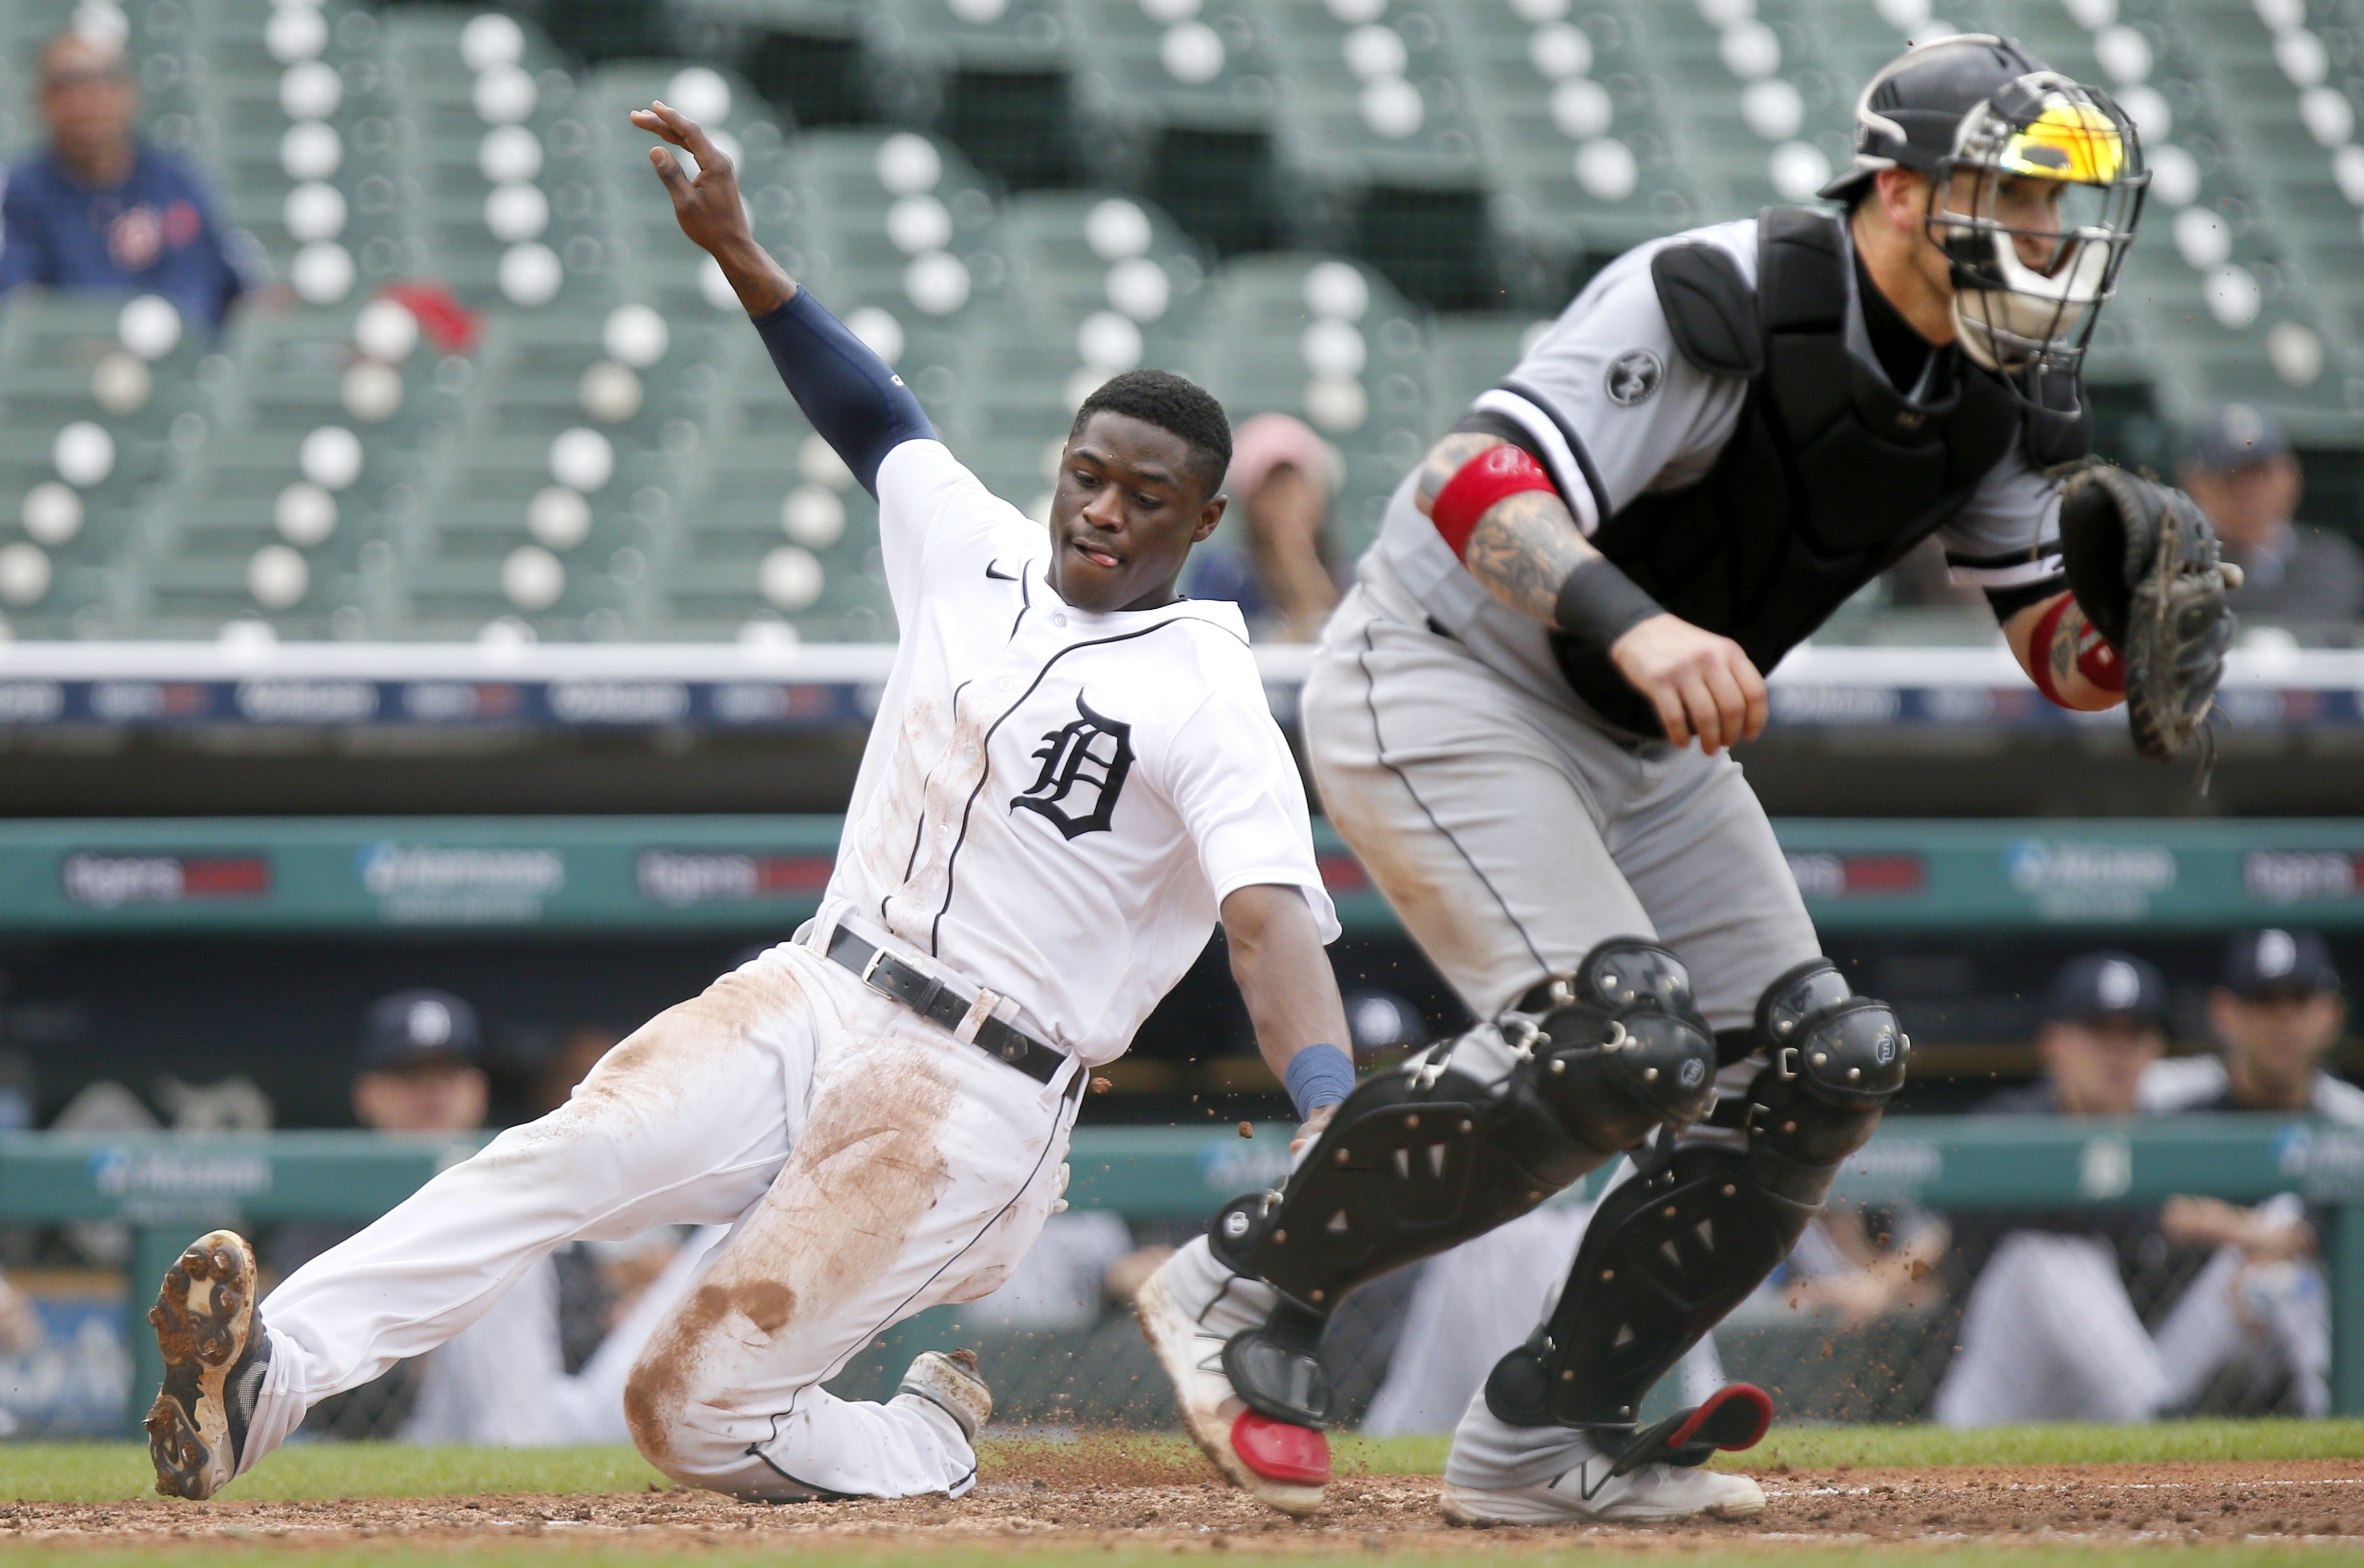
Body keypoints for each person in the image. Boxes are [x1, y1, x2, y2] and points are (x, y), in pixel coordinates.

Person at [141, 97, 1356, 1507]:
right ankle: (263, 1382)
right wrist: (739, 249)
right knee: (557, 1160)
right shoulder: (975, 555)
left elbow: (1269, 927)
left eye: (1146, 497)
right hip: (812, 994)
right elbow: (868, 410)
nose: (1102, 511)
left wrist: (1327, 1100)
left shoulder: (1212, 690)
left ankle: (923, 1444)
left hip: (973, 1100)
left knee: (686, 1414)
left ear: (1202, 524)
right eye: (1086, 478)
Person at [1136, 35, 2193, 1525]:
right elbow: (1472, 485)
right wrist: (1638, 625)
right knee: (1618, 1042)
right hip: (1448, 667)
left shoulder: (2000, 389)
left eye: (2059, 210)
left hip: (1639, 732)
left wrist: (2138, 645)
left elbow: (2055, 650)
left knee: (1821, 1062)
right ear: (1898, 190)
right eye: (2014, 198)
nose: (2046, 241)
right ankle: (1245, 1282)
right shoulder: (1723, 298)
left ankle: (1543, 1431)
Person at [1936, 950, 2335, 1422]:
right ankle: (2157, 1421)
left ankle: (2330, 1427)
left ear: (2156, 1047)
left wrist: (2262, 1251)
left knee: (2278, 1248)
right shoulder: (2016, 1123)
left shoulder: (2172, 1131)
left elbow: (2303, 1211)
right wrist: (2206, 1220)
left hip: (2136, 1380)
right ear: (2055, 1042)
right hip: (2012, 1394)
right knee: (2048, 1257)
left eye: (2134, 1033)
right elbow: (1986, 1205)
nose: (2118, 1051)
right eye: (2099, 1032)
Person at [0, 31, 249, 333]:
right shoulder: (22, 191)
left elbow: (231, 289)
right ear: (43, 101)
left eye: (104, 80)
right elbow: (21, 302)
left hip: (187, 366)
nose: (87, 98)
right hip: (70, 371)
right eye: (68, 84)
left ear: (129, 92)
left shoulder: (179, 181)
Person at [2179, 405, 2364, 627]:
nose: (2248, 492)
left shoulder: (2334, 564)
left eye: (2261, 475)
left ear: (2291, 478)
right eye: (2231, 478)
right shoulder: (2180, 566)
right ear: (2198, 484)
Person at [1184, 413, 1344, 642]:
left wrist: (1304, 567)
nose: (1291, 502)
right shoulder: (1222, 575)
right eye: (1274, 490)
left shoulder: (1349, 575)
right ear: (1250, 503)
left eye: (1299, 487)